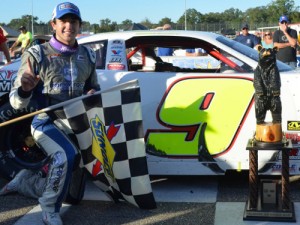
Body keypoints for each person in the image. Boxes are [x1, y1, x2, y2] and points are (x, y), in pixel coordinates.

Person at [2, 2, 100, 225]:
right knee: (65, 155)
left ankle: (25, 181)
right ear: (53, 24)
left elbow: (93, 89)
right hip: (45, 122)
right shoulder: (36, 54)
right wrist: (24, 90)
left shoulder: (89, 56)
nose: (69, 26)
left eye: (73, 21)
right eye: (63, 21)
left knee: (74, 196)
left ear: (79, 25)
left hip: (76, 124)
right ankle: (49, 208)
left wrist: (93, 92)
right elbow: (16, 103)